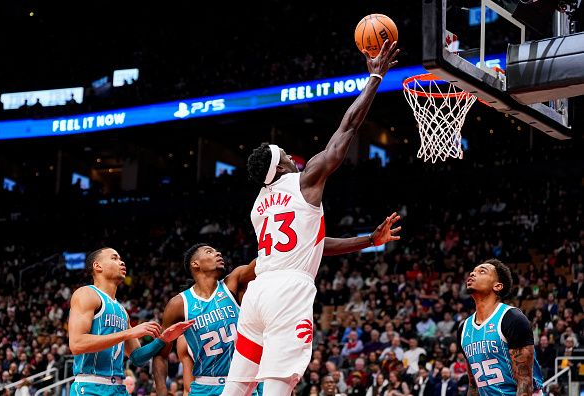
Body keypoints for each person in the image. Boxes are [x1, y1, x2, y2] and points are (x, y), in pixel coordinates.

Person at [222, 38, 400, 396]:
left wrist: (369, 240)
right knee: (278, 385)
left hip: (257, 293)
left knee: (237, 387)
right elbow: (345, 132)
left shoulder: (258, 205)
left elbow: (316, 245)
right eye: (287, 154)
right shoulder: (304, 180)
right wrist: (375, 79)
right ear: (283, 164)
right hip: (288, 290)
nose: (293, 156)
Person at [153, 215, 400, 396]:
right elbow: (161, 355)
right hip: (204, 387)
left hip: (245, 383)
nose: (218, 253)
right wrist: (162, 392)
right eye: (209, 251)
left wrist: (368, 240)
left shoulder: (235, 281)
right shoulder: (179, 303)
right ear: (195, 265)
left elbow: (298, 250)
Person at [68, 247, 192, 396]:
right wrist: (128, 333)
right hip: (90, 387)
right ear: (97, 266)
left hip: (119, 388)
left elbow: (137, 358)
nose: (121, 262)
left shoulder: (122, 311)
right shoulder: (86, 293)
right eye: (114, 258)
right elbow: (77, 344)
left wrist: (163, 339)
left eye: (120, 259)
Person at [457, 259, 544, 395]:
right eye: (473, 271)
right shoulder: (464, 328)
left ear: (497, 286)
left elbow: (525, 383)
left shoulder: (512, 318)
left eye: (482, 271)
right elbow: (473, 385)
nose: (473, 274)